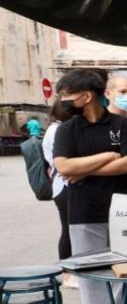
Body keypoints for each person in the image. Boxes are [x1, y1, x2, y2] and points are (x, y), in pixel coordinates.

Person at [53, 69, 127, 304]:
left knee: (124, 267)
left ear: (86, 95)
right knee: (92, 270)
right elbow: (64, 167)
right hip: (84, 209)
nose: (63, 99)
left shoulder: (122, 126)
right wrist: (107, 156)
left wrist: (86, 169)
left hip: (124, 206)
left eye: (67, 94)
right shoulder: (67, 129)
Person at [42, 99, 72, 263]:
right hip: (63, 185)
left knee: (71, 229)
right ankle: (67, 271)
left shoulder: (58, 128)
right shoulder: (57, 130)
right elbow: (62, 161)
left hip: (63, 184)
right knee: (68, 229)